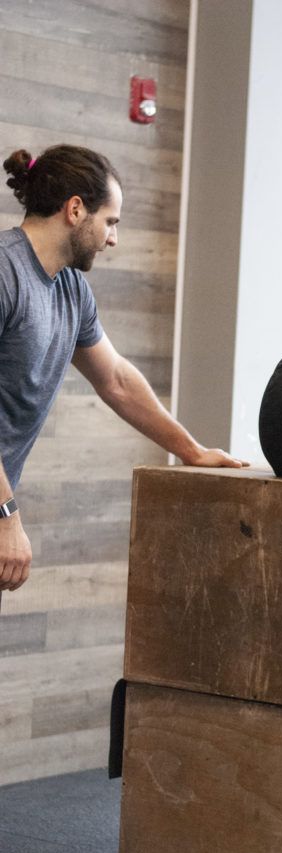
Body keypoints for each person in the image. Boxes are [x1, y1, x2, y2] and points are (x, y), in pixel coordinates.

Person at [0, 144, 248, 595]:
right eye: (110, 222)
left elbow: (115, 379)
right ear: (76, 210)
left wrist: (190, 450)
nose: (113, 238)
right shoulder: (4, 271)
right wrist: (6, 516)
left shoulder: (71, 289)